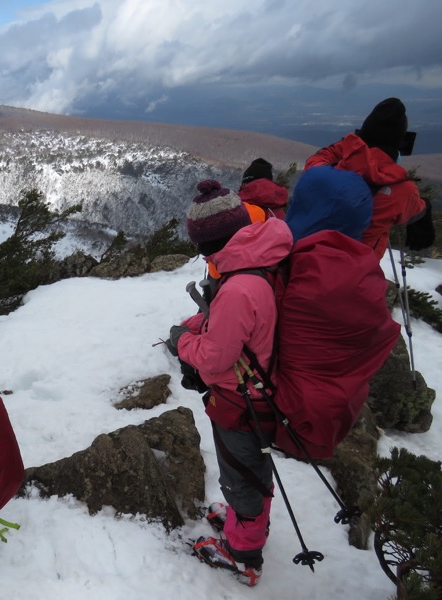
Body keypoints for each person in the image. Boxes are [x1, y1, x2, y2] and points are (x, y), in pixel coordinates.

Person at [165, 179, 293, 587]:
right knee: (253, 470)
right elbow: (240, 328)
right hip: (260, 394)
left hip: (242, 402)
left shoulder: (238, 287)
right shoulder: (259, 261)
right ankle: (246, 523)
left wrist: (183, 341)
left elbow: (215, 358)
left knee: (241, 474)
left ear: (208, 242)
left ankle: (243, 555)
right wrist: (203, 324)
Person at [304, 97, 434, 258]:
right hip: (360, 268)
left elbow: (318, 158)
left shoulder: (321, 173)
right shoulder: (404, 190)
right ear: (398, 144)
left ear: (362, 139)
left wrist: (351, 145)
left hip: (311, 257)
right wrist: (425, 209)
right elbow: (417, 209)